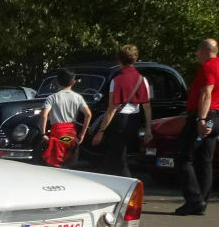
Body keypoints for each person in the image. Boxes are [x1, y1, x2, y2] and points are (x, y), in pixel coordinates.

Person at [174, 38, 219, 216]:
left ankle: (194, 199)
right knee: (204, 160)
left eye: (198, 52)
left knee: (183, 157)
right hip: (217, 116)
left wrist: (201, 120)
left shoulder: (208, 67)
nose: (197, 56)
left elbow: (206, 93)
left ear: (203, 51)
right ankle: (202, 202)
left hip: (203, 116)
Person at [90, 45, 152, 178]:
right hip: (134, 121)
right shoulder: (143, 80)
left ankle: (130, 189)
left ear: (119, 60)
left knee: (119, 160)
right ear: (135, 60)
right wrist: (148, 129)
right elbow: (146, 107)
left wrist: (101, 131)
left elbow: (112, 108)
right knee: (114, 158)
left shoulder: (116, 80)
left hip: (119, 122)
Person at [39, 69, 90, 168]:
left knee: (55, 164)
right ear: (73, 82)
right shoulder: (78, 97)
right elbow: (88, 114)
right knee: (69, 165)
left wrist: (43, 133)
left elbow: (44, 115)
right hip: (71, 135)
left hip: (57, 134)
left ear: (57, 82)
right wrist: (82, 134)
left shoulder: (52, 97)